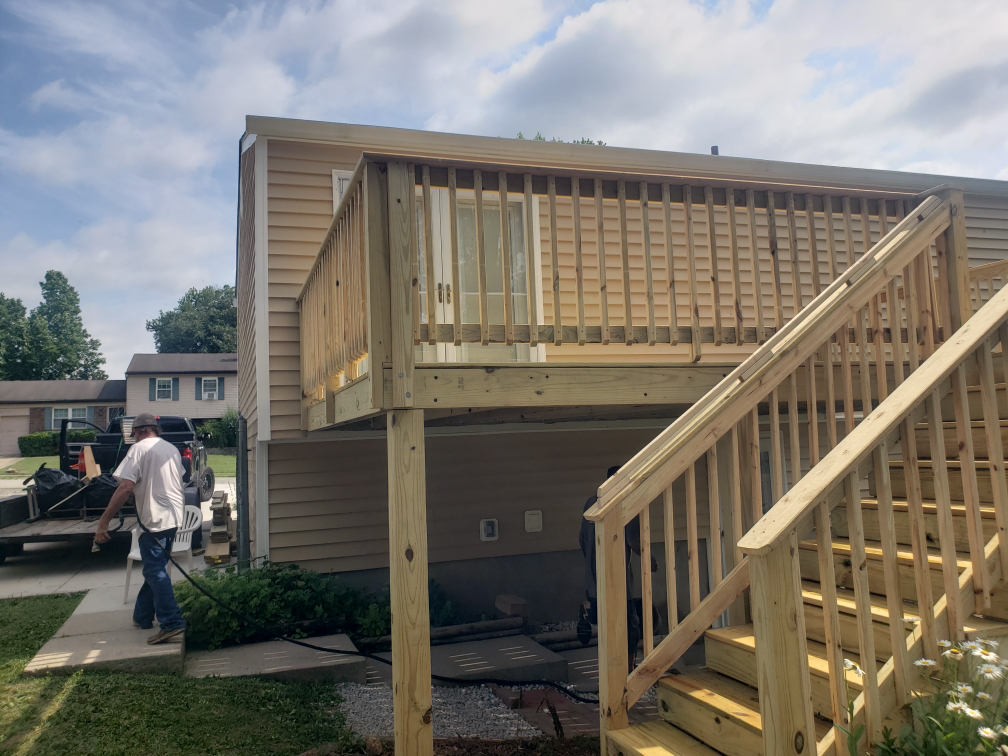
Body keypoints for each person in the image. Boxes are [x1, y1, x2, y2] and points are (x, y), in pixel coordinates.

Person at [95, 413, 187, 645]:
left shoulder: (138, 449)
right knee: (154, 570)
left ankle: (172, 623)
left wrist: (104, 520)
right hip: (173, 518)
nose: (133, 437)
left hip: (154, 519)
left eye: (133, 433)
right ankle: (143, 616)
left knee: (156, 572)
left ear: (139, 431)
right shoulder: (171, 449)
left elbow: (126, 486)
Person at [578, 465, 656, 669]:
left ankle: (588, 615)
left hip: (592, 578)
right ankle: (628, 668)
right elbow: (633, 540)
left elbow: (580, 538)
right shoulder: (624, 504)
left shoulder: (590, 502)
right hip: (618, 579)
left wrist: (591, 561)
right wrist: (650, 560)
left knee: (605, 622)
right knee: (630, 624)